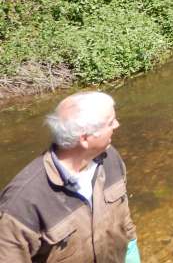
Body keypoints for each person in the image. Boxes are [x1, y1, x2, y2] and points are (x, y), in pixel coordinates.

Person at [0, 91, 139, 262]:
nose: (117, 125)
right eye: (110, 122)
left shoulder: (110, 159)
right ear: (85, 139)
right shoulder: (21, 203)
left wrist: (131, 252)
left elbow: (124, 218)